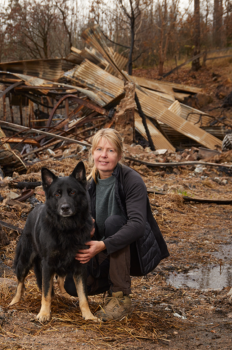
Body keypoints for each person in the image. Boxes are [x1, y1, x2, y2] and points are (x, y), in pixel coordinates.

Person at [64, 128, 169, 321]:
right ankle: (112, 284)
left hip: (134, 251)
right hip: (103, 249)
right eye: (99, 149)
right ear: (92, 153)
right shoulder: (87, 185)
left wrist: (102, 245)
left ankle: (120, 297)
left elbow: (137, 225)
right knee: (72, 286)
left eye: (110, 151)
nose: (103, 155)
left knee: (115, 222)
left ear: (119, 155)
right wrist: (88, 227)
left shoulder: (132, 181)